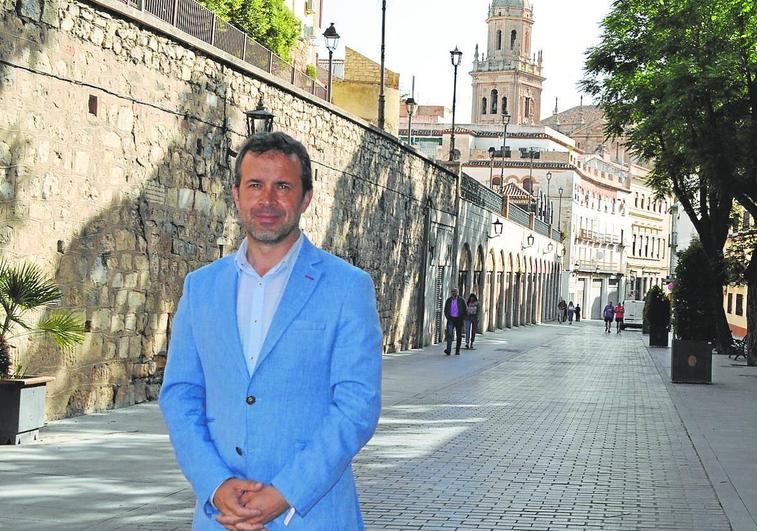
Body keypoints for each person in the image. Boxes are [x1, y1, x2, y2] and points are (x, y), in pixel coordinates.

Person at [159, 132, 382, 530]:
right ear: (236, 194)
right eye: (255, 185)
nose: (267, 200)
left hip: (313, 516)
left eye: (283, 186)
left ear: (306, 198)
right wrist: (216, 483)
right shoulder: (201, 287)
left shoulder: (348, 287)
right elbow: (180, 394)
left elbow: (356, 406)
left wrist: (285, 493)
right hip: (220, 516)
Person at [444, 287, 468, 355]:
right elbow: (445, 310)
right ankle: (448, 350)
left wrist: (462, 318)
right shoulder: (448, 300)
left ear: (457, 292)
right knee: (449, 334)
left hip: (459, 319)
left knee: (459, 336)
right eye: (452, 291)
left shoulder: (461, 300)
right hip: (451, 319)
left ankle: (457, 350)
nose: (453, 293)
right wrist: (448, 317)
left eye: (455, 291)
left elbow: (465, 310)